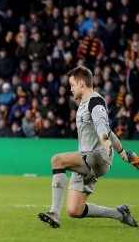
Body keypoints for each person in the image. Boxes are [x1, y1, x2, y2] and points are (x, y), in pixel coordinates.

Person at [38, 66, 139, 228]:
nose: (70, 89)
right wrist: (124, 155)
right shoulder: (85, 103)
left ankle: (54, 214)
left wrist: (104, 141)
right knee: (74, 210)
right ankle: (120, 213)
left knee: (57, 160)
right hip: (88, 159)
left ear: (81, 84)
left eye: (72, 85)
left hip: (97, 156)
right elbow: (109, 130)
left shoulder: (95, 101)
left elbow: (101, 125)